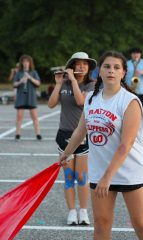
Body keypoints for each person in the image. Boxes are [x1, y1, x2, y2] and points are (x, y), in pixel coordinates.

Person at [59, 51, 143, 240]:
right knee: (101, 226)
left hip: (129, 171)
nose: (111, 70)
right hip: (100, 171)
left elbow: (126, 145)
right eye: (107, 66)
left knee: (142, 226)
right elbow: (81, 131)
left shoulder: (130, 101)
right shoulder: (90, 98)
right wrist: (67, 153)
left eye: (116, 67)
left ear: (123, 73)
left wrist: (107, 177)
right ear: (99, 72)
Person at [48, 52, 97, 225]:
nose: (82, 66)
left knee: (82, 176)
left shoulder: (92, 85)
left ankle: (83, 211)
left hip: (84, 136)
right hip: (64, 135)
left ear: (89, 67)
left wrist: (74, 82)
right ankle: (71, 212)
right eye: (78, 64)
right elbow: (51, 103)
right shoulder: (65, 83)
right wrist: (59, 83)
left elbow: (80, 102)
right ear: (72, 66)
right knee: (69, 176)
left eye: (85, 64)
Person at [13, 54, 42, 140]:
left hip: (31, 97)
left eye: (27, 61)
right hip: (21, 97)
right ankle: (17, 134)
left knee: (34, 117)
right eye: (24, 61)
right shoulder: (18, 73)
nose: (25, 63)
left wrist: (30, 78)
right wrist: (21, 81)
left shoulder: (34, 72)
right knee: (19, 116)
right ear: (21, 63)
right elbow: (14, 84)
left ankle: (38, 134)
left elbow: (38, 83)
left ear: (30, 63)